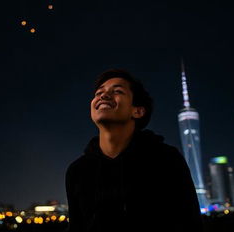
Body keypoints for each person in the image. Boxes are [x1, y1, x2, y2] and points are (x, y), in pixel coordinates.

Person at [65, 69, 203, 231]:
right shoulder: (78, 171)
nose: (103, 96)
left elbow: (190, 224)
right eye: (99, 92)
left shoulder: (165, 160)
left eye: (117, 91)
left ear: (137, 111)